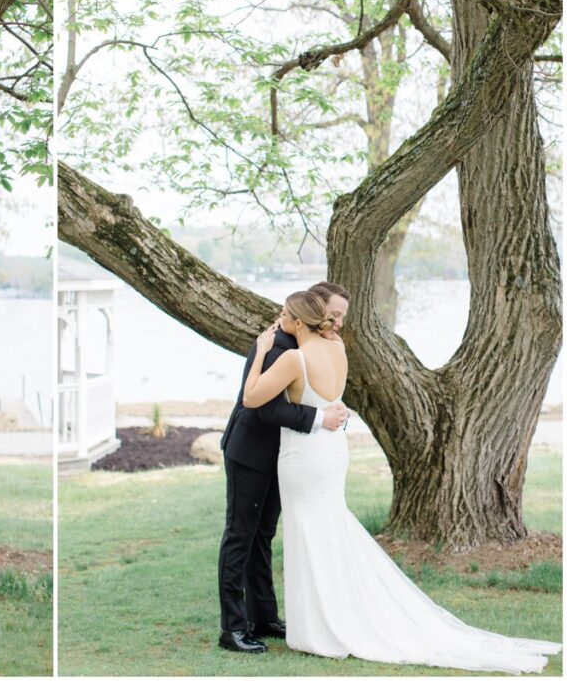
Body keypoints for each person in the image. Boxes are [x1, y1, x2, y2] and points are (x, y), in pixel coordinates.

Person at [241, 290, 561, 673]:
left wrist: (261, 350)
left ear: (295, 322)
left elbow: (252, 398)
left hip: (304, 456)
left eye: (284, 318)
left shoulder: (294, 357)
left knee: (308, 532)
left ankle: (320, 626)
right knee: (327, 529)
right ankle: (329, 616)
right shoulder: (338, 348)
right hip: (331, 451)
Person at [218, 282, 349, 653]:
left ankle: (264, 616)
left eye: (339, 316)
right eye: (333, 314)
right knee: (240, 536)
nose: (336, 322)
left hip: (285, 455)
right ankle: (233, 628)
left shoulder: (314, 347)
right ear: (313, 307)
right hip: (250, 452)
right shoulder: (276, 346)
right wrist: (320, 417)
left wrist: (331, 412)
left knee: (264, 535)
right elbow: (260, 407)